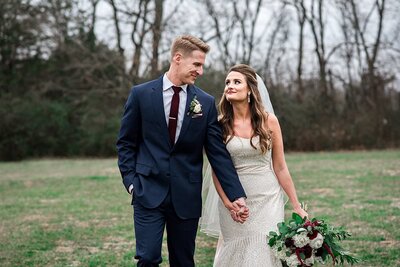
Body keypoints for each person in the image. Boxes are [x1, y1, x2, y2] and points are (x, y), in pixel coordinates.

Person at [116, 35, 249, 267]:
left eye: (202, 65)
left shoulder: (205, 103)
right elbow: (126, 142)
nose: (200, 71)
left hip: (186, 195)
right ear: (177, 58)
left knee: (183, 261)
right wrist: (131, 182)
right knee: (147, 258)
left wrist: (236, 194)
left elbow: (217, 153)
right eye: (196, 64)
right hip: (147, 191)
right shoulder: (141, 94)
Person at [200, 64, 308, 266]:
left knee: (265, 251)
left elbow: (280, 167)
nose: (230, 86)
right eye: (227, 82)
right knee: (237, 253)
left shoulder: (270, 122)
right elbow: (217, 169)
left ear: (250, 89)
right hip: (235, 201)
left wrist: (296, 205)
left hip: (268, 199)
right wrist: (227, 202)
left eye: (236, 82)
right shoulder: (220, 125)